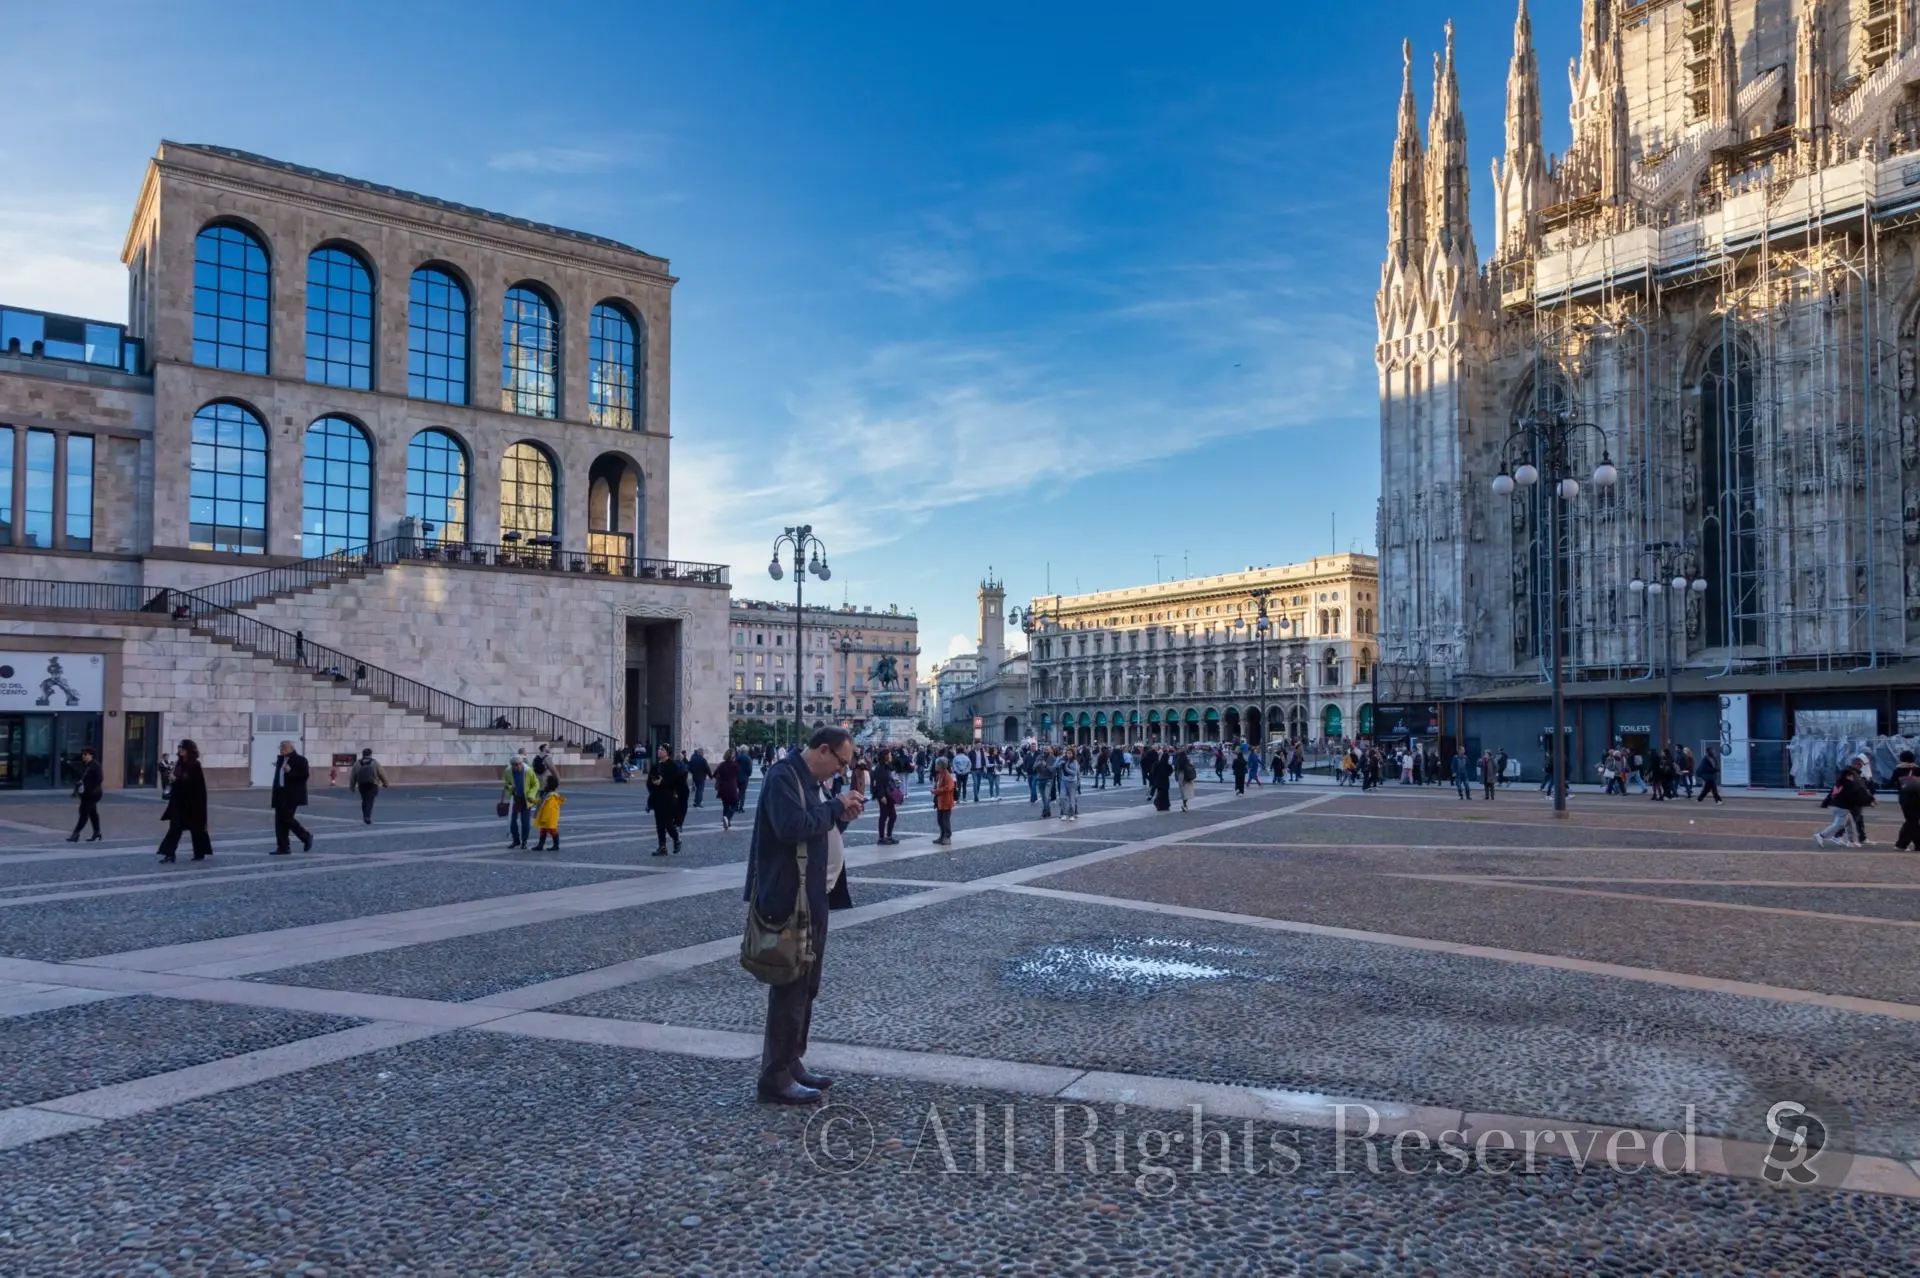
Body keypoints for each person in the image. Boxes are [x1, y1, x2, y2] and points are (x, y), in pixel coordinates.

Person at [743, 726, 865, 1105]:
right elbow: (791, 826)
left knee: (807, 984)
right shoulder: (783, 777)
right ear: (824, 749)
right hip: (788, 898)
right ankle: (775, 1075)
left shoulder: (811, 781)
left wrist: (842, 814)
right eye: (841, 763)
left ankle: (791, 1059)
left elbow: (818, 827)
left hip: (814, 897)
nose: (840, 772)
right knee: (791, 984)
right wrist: (833, 806)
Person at [155, 739, 211, 863]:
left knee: (197, 828)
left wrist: (177, 779)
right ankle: (169, 854)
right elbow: (178, 779)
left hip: (193, 802)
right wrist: (172, 778)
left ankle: (199, 853)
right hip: (178, 802)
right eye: (179, 747)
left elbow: (192, 782)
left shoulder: (194, 764)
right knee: (174, 828)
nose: (180, 749)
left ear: (189, 750)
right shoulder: (178, 763)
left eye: (182, 747)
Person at [270, 740, 313, 856]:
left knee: (287, 818)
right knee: (279, 821)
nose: (282, 749)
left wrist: (290, 771)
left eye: (284, 747)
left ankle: (305, 836)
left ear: (291, 748)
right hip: (280, 794)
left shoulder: (300, 760)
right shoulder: (280, 760)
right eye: (281, 747)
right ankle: (283, 847)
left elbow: (304, 776)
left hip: (292, 795)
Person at [1813, 766, 1872, 848]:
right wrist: (1868, 802)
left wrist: (1824, 804)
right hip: (1842, 807)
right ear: (1848, 776)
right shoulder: (1849, 784)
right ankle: (1821, 835)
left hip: (1835, 806)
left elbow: (1831, 795)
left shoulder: (1839, 783)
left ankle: (1851, 841)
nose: (1853, 777)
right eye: (1852, 776)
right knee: (1839, 824)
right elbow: (1855, 796)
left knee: (1849, 823)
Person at [648, 744, 690, 856]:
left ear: (667, 752)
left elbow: (676, 782)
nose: (659, 751)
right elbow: (649, 781)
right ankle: (662, 847)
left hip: (668, 798)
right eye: (659, 749)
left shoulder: (672, 766)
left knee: (667, 822)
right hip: (657, 798)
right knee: (659, 824)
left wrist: (663, 782)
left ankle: (676, 839)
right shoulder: (655, 765)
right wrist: (653, 783)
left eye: (662, 749)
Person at [67, 746, 103, 842]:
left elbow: (99, 779)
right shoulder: (84, 765)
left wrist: (89, 787)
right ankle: (97, 832)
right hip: (86, 794)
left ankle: (75, 834)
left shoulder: (94, 766)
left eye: (85, 754)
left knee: (84, 813)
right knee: (92, 813)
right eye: (82, 754)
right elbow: (80, 779)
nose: (83, 756)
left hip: (92, 794)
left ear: (91, 755)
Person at [501, 754, 536, 849]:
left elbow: (535, 784)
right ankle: (516, 840)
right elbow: (506, 783)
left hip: (526, 799)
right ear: (511, 765)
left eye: (520, 764)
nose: (518, 766)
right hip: (515, 799)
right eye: (516, 764)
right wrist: (509, 787)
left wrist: (531, 795)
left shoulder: (528, 770)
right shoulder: (508, 771)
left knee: (525, 822)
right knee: (512, 821)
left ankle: (524, 841)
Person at [350, 748, 390, 824]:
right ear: (370, 754)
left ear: (362, 754)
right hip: (372, 784)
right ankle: (367, 816)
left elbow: (353, 776)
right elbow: (381, 773)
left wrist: (352, 786)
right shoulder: (375, 763)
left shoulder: (357, 763)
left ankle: (365, 815)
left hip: (361, 784)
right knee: (369, 801)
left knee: (364, 800)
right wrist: (385, 782)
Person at [872, 752, 900, 845]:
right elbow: (879, 783)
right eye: (890, 755)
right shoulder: (880, 768)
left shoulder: (885, 766)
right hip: (884, 795)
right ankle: (881, 838)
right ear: (885, 756)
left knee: (892, 815)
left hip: (888, 793)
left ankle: (888, 836)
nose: (891, 756)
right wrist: (882, 796)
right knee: (884, 816)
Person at [1894, 752, 1920, 851]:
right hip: (1917, 798)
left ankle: (1902, 844)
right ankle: (1913, 844)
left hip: (1904, 799)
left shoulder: (1898, 770)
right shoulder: (1917, 769)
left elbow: (1891, 783)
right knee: (1913, 821)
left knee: (1911, 821)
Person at [533, 771, 565, 850]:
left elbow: (548, 809)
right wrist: (533, 801)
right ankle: (540, 845)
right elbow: (541, 802)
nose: (544, 783)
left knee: (552, 830)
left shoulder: (551, 796)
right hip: (546, 816)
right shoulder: (546, 793)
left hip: (548, 817)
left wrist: (543, 818)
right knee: (543, 830)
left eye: (546, 782)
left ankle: (556, 845)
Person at [715, 750, 743, 831]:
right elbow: (739, 774)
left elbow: (715, 774)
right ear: (733, 756)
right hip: (732, 787)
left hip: (723, 787)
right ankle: (727, 818)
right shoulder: (734, 765)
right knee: (735, 804)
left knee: (726, 805)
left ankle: (727, 822)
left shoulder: (722, 765)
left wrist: (721, 779)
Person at [931, 756, 956, 844]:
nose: (935, 766)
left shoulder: (947, 775)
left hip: (946, 801)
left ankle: (947, 836)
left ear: (941, 765)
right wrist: (934, 789)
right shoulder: (939, 774)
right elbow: (937, 784)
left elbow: (949, 786)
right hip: (939, 801)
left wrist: (937, 790)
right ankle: (942, 835)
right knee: (940, 820)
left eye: (936, 764)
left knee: (945, 820)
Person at [1059, 749, 1081, 821]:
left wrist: (1066, 768)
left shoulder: (1074, 762)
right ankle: (1065, 813)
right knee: (1062, 797)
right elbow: (1056, 766)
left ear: (1072, 754)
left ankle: (1072, 814)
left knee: (1072, 799)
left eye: (1070, 753)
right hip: (1064, 781)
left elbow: (1074, 773)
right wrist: (1059, 760)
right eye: (1067, 753)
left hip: (1072, 782)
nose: (1068, 755)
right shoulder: (1064, 760)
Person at [1150, 748, 1173, 812]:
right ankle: (1165, 805)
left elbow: (1153, 772)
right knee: (1165, 794)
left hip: (1159, 781)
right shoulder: (1167, 765)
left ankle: (1159, 805)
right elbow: (1170, 772)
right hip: (1165, 781)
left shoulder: (1157, 764)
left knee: (1160, 794)